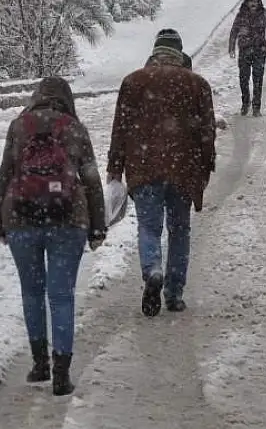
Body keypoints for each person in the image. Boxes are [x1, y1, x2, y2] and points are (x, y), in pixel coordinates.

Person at [0, 77, 107, 397]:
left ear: (36, 97)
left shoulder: (19, 126)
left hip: (21, 219)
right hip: (68, 220)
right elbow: (92, 180)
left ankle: (39, 362)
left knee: (32, 293)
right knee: (61, 295)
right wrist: (98, 225)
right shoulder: (74, 128)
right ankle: (61, 371)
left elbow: (4, 176)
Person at [108, 31, 216, 318]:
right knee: (179, 230)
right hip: (184, 167)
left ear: (155, 51)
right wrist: (205, 166)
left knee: (149, 226)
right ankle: (174, 293)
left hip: (144, 167)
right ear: (180, 54)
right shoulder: (197, 84)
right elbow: (207, 133)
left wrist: (115, 169)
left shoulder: (133, 82)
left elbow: (121, 129)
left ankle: (153, 269)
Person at [228, 0, 266, 116]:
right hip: (244, 51)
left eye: (256, 1)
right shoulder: (241, 15)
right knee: (243, 79)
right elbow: (234, 32)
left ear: (259, 3)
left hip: (259, 52)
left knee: (257, 80)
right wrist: (231, 48)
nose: (253, 3)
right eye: (251, 1)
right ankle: (245, 103)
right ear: (247, 3)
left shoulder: (263, 15)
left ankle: (256, 107)